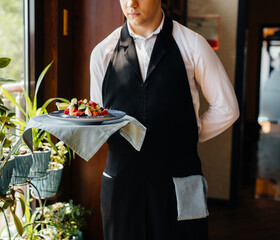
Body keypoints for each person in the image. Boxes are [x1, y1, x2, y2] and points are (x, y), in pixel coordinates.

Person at [89, 0, 239, 239]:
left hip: (179, 180)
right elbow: (100, 120)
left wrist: (188, 134)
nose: (131, 3)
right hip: (122, 184)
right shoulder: (102, 53)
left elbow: (227, 108)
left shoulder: (193, 44)